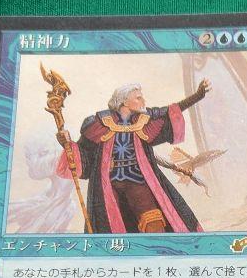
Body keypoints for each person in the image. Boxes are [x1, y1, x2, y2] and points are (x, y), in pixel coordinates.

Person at [57, 80, 211, 233]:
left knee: (154, 222)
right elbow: (83, 151)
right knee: (110, 225)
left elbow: (170, 110)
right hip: (108, 184)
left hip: (137, 179)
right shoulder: (98, 123)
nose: (143, 101)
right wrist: (67, 143)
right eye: (138, 98)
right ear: (124, 102)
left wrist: (197, 96)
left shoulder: (145, 119)